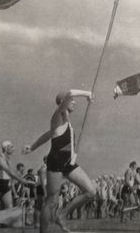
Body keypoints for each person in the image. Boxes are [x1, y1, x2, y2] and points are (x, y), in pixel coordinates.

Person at [23, 89, 96, 233]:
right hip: (56, 162)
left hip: (68, 162)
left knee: (91, 191)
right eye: (72, 101)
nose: (74, 102)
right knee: (51, 201)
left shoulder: (65, 121)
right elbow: (69, 92)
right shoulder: (58, 115)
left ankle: (61, 214)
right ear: (64, 102)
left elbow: (48, 135)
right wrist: (87, 93)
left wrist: (32, 147)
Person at [0, 141, 33, 213]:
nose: (13, 149)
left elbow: (12, 172)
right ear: (5, 148)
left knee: (8, 208)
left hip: (5, 183)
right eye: (11, 147)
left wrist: (23, 179)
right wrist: (22, 180)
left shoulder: (8, 159)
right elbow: (8, 170)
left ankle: (4, 224)